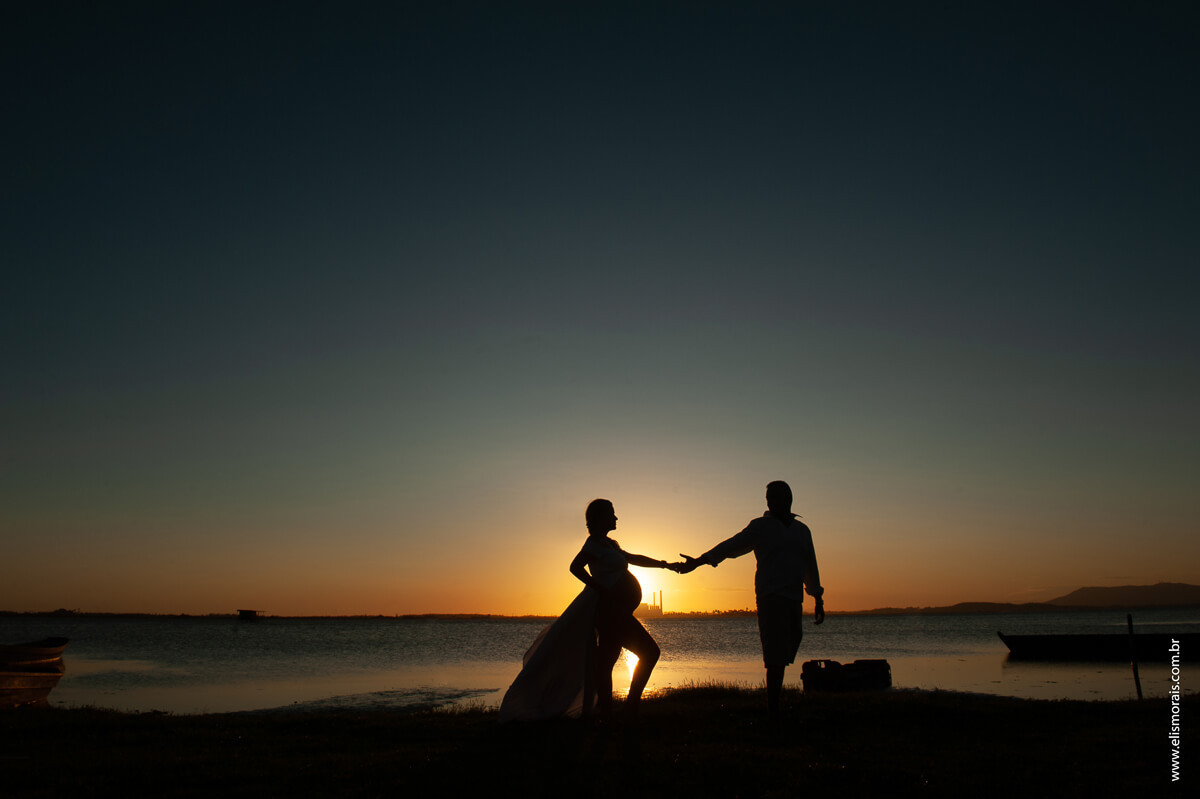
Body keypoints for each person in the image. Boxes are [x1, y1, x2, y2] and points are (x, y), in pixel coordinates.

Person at [498, 498, 680, 721]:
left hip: (616, 612)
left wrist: (664, 564)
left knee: (606, 663)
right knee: (648, 653)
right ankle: (627, 709)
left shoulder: (609, 545)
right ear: (599, 518)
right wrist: (599, 587)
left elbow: (633, 558)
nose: (615, 517)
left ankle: (609, 713)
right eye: (611, 513)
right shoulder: (593, 544)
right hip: (611, 612)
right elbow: (575, 567)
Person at [678, 480, 824, 717]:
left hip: (794, 599)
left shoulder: (802, 531)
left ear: (788, 498)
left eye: (775, 497)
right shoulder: (761, 527)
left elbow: (810, 565)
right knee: (775, 657)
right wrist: (700, 561)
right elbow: (731, 546)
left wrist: (817, 597)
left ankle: (775, 706)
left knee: (790, 647)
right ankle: (773, 710)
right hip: (770, 598)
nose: (771, 502)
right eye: (768, 498)